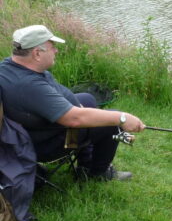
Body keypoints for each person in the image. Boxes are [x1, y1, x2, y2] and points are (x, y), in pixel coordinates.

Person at [0, 25, 145, 181]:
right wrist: (122, 118)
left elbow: (58, 95)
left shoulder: (10, 67)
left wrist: (78, 106)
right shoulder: (29, 85)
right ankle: (98, 173)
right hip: (43, 145)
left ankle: (86, 162)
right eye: (52, 47)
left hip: (35, 131)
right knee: (110, 123)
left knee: (87, 98)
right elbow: (74, 119)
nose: (56, 51)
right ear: (37, 53)